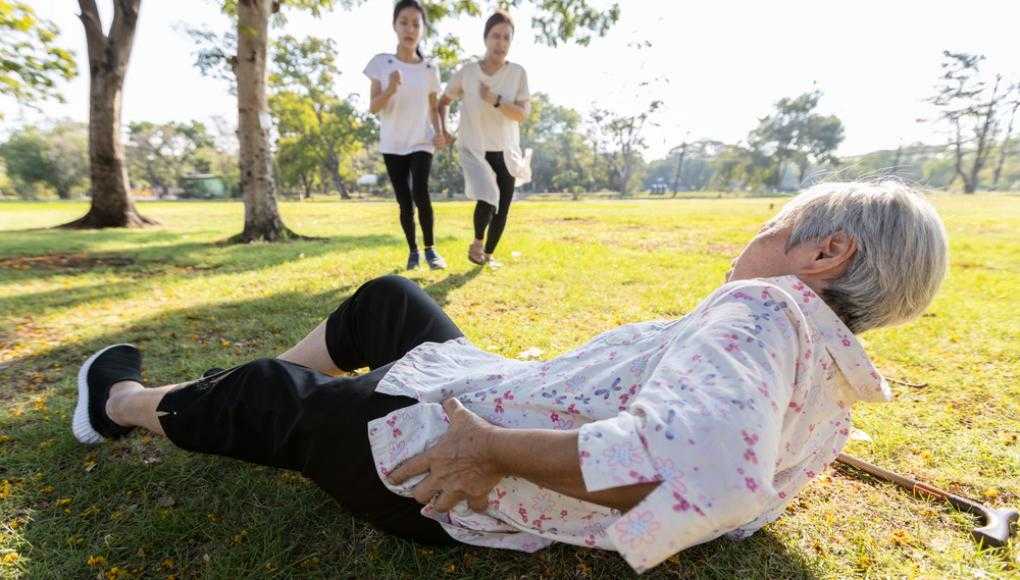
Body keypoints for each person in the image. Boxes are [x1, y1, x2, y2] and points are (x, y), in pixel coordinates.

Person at [71, 182, 948, 573]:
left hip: (439, 467)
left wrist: (495, 453)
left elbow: (702, 472)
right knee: (391, 302)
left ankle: (115, 405)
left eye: (772, 224)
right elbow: (744, 492)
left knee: (273, 395)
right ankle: (234, 397)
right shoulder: (828, 374)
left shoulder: (762, 309)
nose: (748, 242)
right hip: (490, 392)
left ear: (826, 253)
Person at [437, 10, 532, 268]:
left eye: (506, 38)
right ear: (486, 38)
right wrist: (444, 130)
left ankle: (488, 255)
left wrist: (497, 101)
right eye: (495, 36)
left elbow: (522, 114)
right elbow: (443, 101)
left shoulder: (518, 73)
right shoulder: (468, 72)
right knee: (488, 194)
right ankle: (478, 243)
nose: (500, 42)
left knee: (502, 207)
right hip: (474, 147)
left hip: (506, 149)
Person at [364, 0, 447, 270]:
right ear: (394, 25)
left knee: (420, 193)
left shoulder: (429, 69)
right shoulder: (381, 63)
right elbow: (374, 107)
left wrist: (440, 132)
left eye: (416, 23)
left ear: (422, 29)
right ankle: (413, 251)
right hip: (393, 142)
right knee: (404, 201)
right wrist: (390, 88)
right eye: (404, 22)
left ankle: (431, 250)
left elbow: (434, 107)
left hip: (421, 140)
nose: (409, 28)